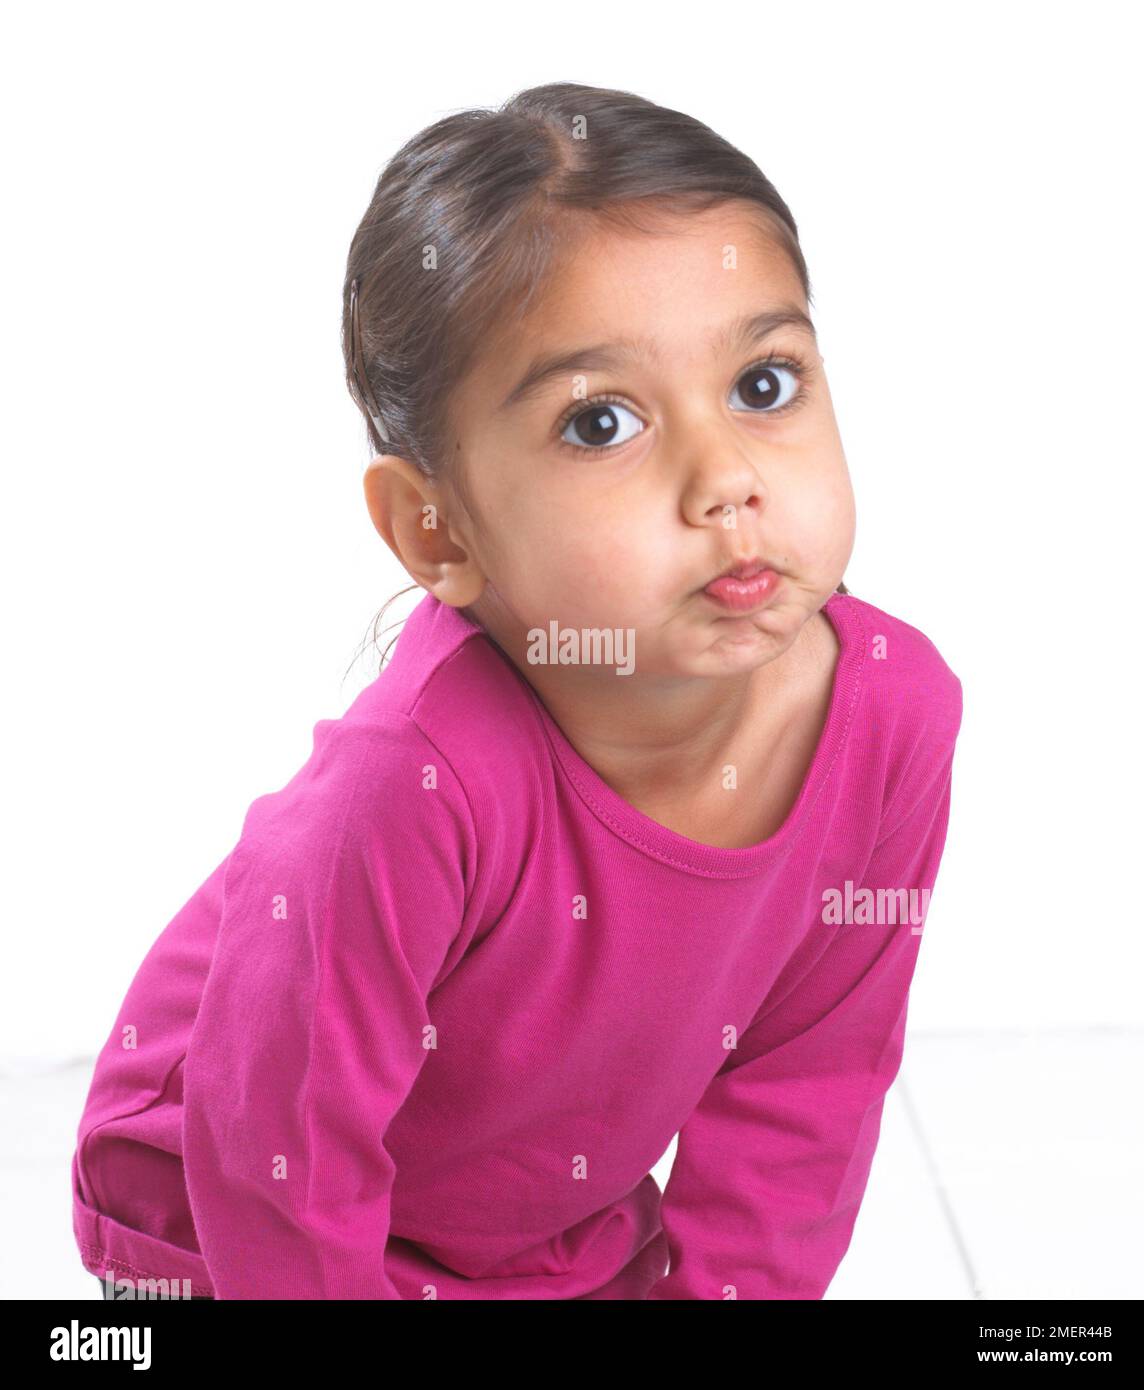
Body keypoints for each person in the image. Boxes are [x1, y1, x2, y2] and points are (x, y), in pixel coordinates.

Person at [70, 81, 963, 1301]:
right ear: (438, 532)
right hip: (227, 1213)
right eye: (601, 421)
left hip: (530, 1228)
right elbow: (279, 1155)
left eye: (763, 384)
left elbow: (804, 1086)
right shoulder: (411, 786)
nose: (727, 481)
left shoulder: (892, 712)